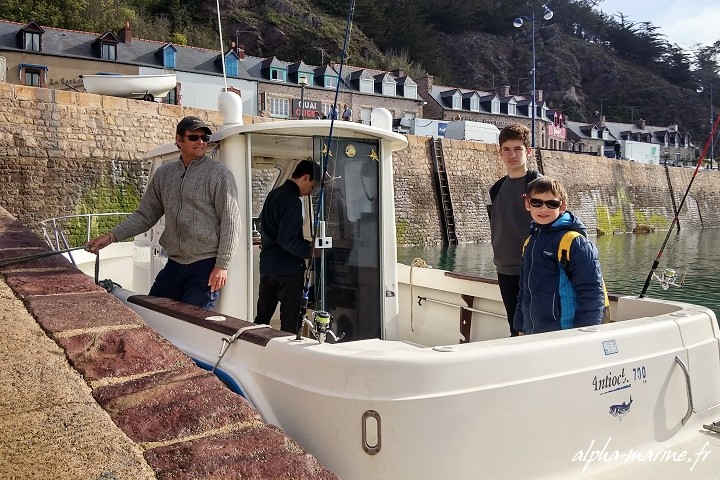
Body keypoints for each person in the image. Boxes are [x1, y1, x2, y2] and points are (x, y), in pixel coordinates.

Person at [86, 116, 240, 309]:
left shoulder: (219, 175)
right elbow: (145, 215)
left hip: (206, 265)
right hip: (174, 263)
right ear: (179, 139)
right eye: (194, 137)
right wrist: (111, 236)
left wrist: (222, 266)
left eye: (205, 138)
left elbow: (231, 222)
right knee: (153, 311)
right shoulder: (164, 174)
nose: (201, 142)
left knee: (193, 322)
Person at [513, 176, 605, 335]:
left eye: (552, 204)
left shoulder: (574, 242)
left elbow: (592, 294)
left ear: (562, 206)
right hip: (534, 331)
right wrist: (520, 326)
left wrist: (583, 334)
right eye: (537, 202)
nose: (543, 209)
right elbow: (524, 290)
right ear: (528, 204)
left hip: (565, 333)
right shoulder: (530, 242)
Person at [255, 159, 321, 333]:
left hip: (268, 268)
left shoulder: (273, 194)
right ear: (306, 178)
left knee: (261, 319)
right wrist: (311, 251)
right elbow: (287, 240)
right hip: (288, 272)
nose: (310, 192)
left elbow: (270, 232)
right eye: (313, 187)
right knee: (290, 323)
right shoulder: (293, 200)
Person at [487, 123, 540, 336]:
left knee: (533, 328)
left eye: (518, 149)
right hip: (505, 269)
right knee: (515, 327)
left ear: (528, 151)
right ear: (500, 152)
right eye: (506, 149)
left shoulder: (538, 185)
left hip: (534, 269)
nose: (512, 155)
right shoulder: (496, 189)